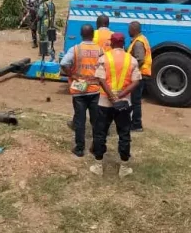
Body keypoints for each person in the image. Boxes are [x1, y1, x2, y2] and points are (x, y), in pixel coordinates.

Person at [90, 32, 142, 178]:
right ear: (123, 43)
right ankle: (124, 168)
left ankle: (98, 165)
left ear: (111, 43)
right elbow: (136, 82)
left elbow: (100, 79)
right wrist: (120, 96)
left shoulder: (103, 58)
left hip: (104, 101)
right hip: (124, 102)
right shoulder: (131, 60)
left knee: (100, 132)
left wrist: (112, 96)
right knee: (124, 134)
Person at [60, 24, 102, 157]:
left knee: (80, 120)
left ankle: (79, 149)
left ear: (81, 34)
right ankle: (96, 147)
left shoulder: (76, 49)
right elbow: (105, 66)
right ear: (93, 35)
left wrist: (72, 75)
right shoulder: (100, 50)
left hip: (79, 89)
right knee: (96, 121)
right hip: (95, 89)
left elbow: (63, 63)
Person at [127, 21, 152, 132]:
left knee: (135, 101)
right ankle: (134, 123)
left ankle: (136, 125)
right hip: (140, 74)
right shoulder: (141, 39)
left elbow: (140, 59)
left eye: (129, 29)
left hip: (139, 75)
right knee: (134, 100)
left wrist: (130, 70)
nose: (128, 31)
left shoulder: (138, 43)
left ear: (134, 29)